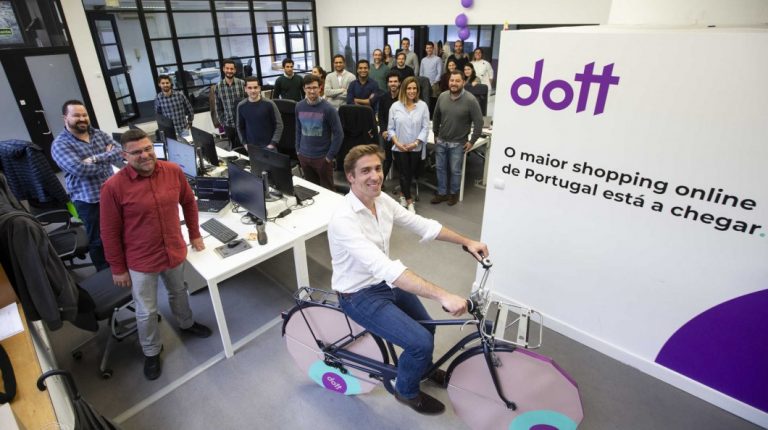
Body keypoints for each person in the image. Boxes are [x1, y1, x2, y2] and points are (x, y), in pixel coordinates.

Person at [328, 143, 489, 415]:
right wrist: (443, 295)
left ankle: (422, 367)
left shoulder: (381, 199)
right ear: (350, 177)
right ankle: (405, 390)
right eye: (365, 171)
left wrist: (467, 241)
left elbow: (422, 224)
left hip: (383, 282)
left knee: (427, 328)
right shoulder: (344, 219)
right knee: (419, 343)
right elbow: (386, 268)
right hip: (358, 294)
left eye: (378, 168)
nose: (375, 176)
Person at [100, 129, 212, 381]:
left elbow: (189, 202)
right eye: (136, 152)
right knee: (147, 310)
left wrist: (194, 234)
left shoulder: (172, 171)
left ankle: (186, 323)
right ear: (124, 155)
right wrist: (118, 268)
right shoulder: (113, 187)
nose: (144, 155)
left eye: (148, 148)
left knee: (179, 291)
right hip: (141, 259)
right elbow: (108, 232)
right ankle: (151, 351)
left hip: (173, 249)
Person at [51, 100, 122, 271]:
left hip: (112, 194)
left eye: (84, 115)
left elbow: (120, 151)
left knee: (119, 232)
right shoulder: (60, 144)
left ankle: (123, 264)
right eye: (76, 115)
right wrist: (107, 157)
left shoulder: (97, 133)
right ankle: (104, 273)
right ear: (65, 118)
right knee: (98, 240)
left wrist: (95, 158)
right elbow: (80, 169)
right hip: (88, 200)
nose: (82, 119)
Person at [431, 71, 483, 206]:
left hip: (458, 144)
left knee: (455, 171)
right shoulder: (442, 96)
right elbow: (436, 116)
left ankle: (453, 194)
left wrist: (472, 141)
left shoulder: (471, 100)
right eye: (452, 80)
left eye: (457, 81)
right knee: (440, 169)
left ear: (463, 82)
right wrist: (435, 133)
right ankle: (442, 193)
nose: (454, 83)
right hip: (441, 141)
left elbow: (479, 123)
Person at [387, 77, 429, 214]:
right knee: (404, 173)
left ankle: (402, 195)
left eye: (414, 88)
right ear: (404, 89)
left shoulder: (423, 106)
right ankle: (410, 202)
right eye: (409, 88)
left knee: (409, 174)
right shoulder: (395, 107)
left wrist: (416, 143)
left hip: (415, 147)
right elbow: (390, 128)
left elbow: (425, 127)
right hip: (400, 148)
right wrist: (397, 143)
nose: (412, 91)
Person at [295, 74, 344, 190]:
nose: (312, 91)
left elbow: (339, 134)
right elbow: (298, 129)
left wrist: (329, 156)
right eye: (308, 88)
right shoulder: (299, 106)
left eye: (314, 87)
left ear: (320, 88)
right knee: (311, 190)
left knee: (328, 191)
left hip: (322, 158)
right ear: (304, 89)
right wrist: (298, 150)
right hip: (304, 156)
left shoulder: (328, 109)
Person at [236, 76, 283, 151]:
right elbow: (240, 126)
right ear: (245, 89)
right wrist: (244, 143)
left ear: (259, 88)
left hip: (269, 147)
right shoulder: (241, 106)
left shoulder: (269, 104)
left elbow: (279, 124)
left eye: (255, 87)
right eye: (250, 88)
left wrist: (272, 143)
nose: (253, 90)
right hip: (252, 148)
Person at [215, 59, 246, 150]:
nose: (229, 71)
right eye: (227, 68)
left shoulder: (242, 84)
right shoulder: (218, 87)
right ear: (223, 69)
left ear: (235, 70)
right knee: (233, 148)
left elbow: (248, 102)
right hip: (228, 124)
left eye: (231, 69)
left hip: (243, 123)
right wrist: (223, 122)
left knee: (246, 147)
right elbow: (218, 107)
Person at [377, 71, 401, 186]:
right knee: (386, 159)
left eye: (395, 81)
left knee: (400, 160)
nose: (393, 84)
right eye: (391, 82)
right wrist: (383, 131)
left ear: (399, 83)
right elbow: (381, 116)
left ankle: (403, 186)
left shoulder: (403, 98)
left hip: (400, 134)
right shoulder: (383, 98)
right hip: (387, 133)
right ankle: (380, 183)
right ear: (387, 83)